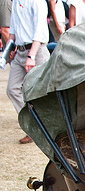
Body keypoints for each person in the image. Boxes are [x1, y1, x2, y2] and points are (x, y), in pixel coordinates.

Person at [6, 0, 50, 144]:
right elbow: (12, 30)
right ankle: (32, 127)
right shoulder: (15, 2)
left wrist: (31, 55)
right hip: (20, 51)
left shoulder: (37, 2)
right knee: (12, 89)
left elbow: (39, 30)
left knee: (41, 92)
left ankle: (49, 128)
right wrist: (9, 49)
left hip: (37, 51)